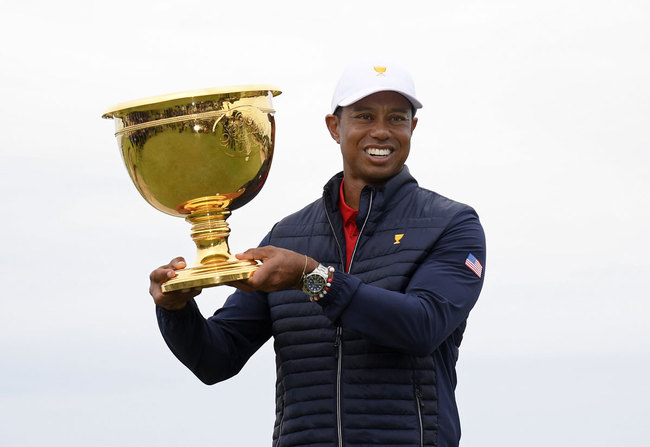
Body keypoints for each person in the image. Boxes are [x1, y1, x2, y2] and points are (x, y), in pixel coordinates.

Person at [150, 60, 486, 447]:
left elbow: (423, 326)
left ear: (412, 128)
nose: (381, 131)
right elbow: (216, 359)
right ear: (334, 127)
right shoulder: (289, 235)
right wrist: (175, 311)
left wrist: (313, 278)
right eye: (363, 116)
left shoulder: (452, 224)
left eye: (396, 118)